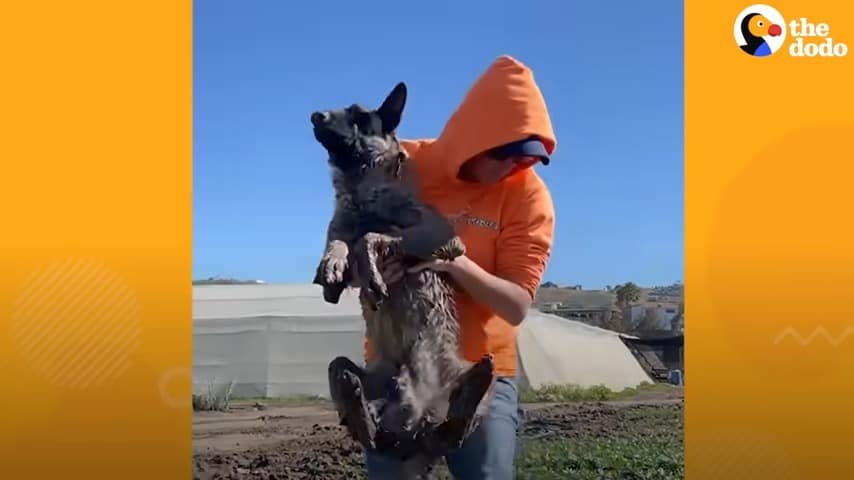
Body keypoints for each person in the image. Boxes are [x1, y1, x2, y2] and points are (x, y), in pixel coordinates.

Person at [363, 55, 557, 479]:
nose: (514, 168)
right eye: (505, 155)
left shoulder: (527, 197)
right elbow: (355, 227)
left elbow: (515, 305)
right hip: (397, 369)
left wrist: (454, 262)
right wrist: (377, 268)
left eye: (527, 159)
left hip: (478, 372)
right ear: (474, 138)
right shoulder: (404, 164)